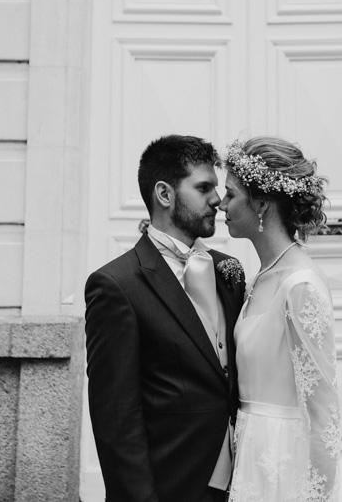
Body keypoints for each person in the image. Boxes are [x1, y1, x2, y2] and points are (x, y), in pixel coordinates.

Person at [85, 135, 247, 502]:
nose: (217, 200)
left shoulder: (228, 271)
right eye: (203, 187)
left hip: (241, 482)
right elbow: (116, 418)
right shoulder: (116, 286)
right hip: (171, 485)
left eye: (217, 188)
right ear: (164, 194)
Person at [219, 136, 342, 502]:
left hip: (288, 468)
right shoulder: (260, 278)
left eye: (231, 194)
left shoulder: (301, 285)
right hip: (253, 457)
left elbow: (324, 415)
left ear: (261, 202)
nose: (221, 204)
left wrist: (314, 495)